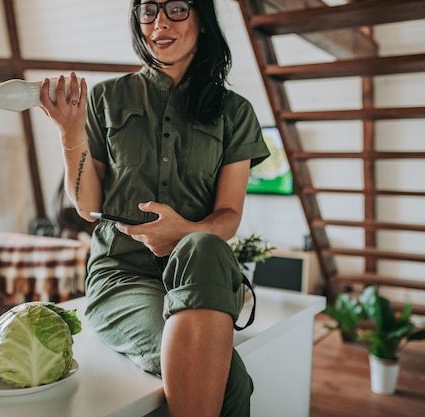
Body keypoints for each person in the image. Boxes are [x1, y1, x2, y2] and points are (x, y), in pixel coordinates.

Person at [39, 1, 269, 416]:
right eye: (148, 9)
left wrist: (184, 232)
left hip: (198, 277)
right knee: (229, 379)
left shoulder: (235, 112)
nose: (159, 21)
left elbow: (228, 216)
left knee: (205, 245)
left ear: (202, 20)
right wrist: (70, 133)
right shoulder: (107, 97)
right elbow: (89, 206)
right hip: (121, 277)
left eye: (177, 8)